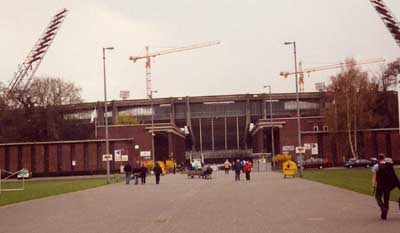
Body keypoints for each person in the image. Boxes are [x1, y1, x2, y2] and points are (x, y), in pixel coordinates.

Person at [372, 153, 400, 220]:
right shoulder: (389, 165)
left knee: (377, 196)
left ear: (378, 158)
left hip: (380, 185)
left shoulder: (376, 166)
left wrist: (373, 186)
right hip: (387, 185)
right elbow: (393, 175)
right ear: (384, 157)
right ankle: (384, 215)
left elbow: (374, 177)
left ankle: (382, 207)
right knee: (386, 199)